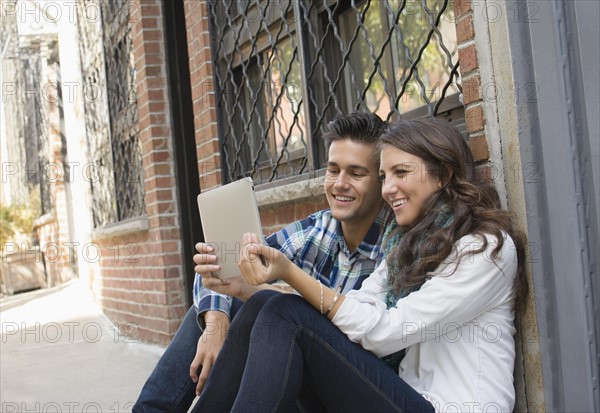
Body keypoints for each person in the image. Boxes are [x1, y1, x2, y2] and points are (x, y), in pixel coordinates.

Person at [193, 118, 528, 412]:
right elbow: (359, 304)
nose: (388, 189)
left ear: (443, 176)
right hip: (405, 397)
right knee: (268, 303)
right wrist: (246, 289)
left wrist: (290, 273)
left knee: (286, 314)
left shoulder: (484, 250)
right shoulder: (407, 245)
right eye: (384, 176)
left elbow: (384, 332)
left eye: (401, 172)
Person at [133, 112, 394, 412]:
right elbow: (227, 263)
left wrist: (274, 294)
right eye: (333, 170)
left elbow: (361, 339)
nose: (340, 184)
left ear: (382, 181)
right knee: (224, 304)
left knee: (270, 307)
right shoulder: (318, 230)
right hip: (288, 378)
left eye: (356, 173)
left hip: (340, 392)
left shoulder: (394, 248)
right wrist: (216, 322)